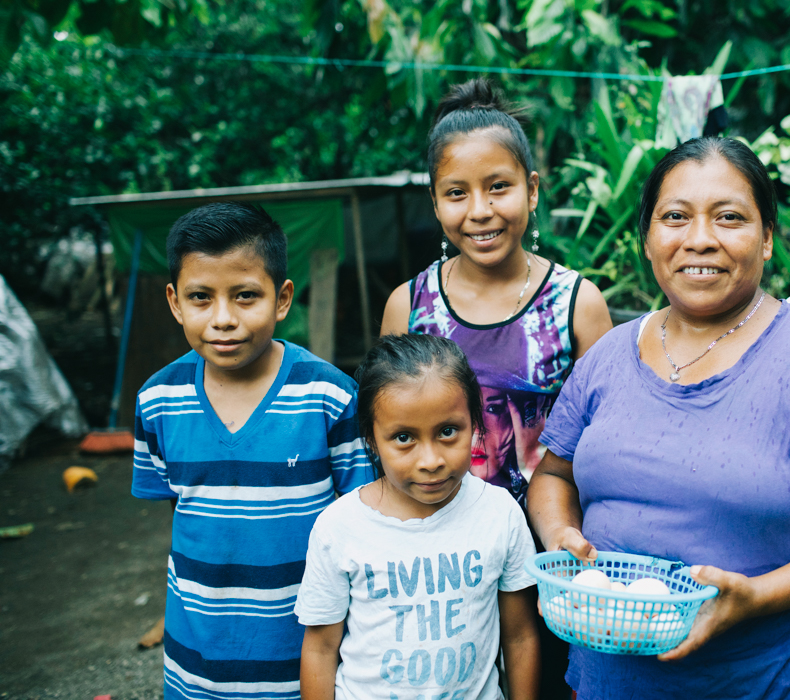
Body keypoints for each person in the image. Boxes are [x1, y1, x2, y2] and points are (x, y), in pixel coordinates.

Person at [527, 136, 790, 700]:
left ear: (766, 239)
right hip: (606, 681)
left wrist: (760, 594)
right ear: (648, 238)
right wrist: (561, 535)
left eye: (729, 218)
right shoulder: (609, 356)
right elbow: (554, 476)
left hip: (761, 681)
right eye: (675, 217)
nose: (700, 240)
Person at [131, 202, 372, 700]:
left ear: (282, 298)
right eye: (201, 298)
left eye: (245, 296)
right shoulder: (157, 401)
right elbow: (184, 510)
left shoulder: (329, 396)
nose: (223, 319)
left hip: (307, 658)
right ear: (175, 302)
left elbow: (360, 520)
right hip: (196, 661)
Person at [380, 78, 612, 505]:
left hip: (543, 546)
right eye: (456, 193)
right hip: (436, 546)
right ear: (434, 203)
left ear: (533, 189)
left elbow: (603, 445)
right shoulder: (408, 307)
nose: (480, 211)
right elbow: (388, 436)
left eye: (498, 187)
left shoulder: (577, 305)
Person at [296, 333, 540, 700]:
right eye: (404, 438)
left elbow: (520, 636)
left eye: (447, 432)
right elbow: (320, 648)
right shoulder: (339, 527)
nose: (430, 461)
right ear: (371, 439)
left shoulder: (500, 513)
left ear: (475, 424)